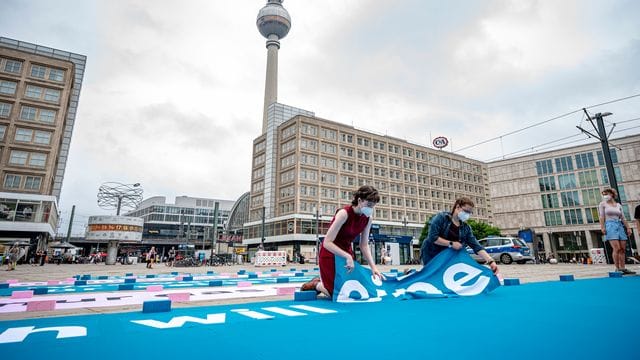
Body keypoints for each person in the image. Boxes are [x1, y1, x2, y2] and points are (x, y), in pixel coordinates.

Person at [300, 185, 385, 297]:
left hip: (346, 253)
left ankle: (323, 283)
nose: (371, 209)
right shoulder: (344, 213)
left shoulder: (368, 219)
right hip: (330, 253)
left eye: (373, 206)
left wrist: (373, 267)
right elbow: (327, 242)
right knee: (336, 294)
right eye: (369, 205)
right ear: (359, 200)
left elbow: (364, 245)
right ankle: (316, 284)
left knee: (352, 289)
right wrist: (347, 256)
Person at [420, 197, 499, 275]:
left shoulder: (466, 228)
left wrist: (490, 261)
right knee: (430, 275)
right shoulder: (441, 218)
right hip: (432, 254)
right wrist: (451, 243)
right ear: (457, 207)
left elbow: (476, 246)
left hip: (449, 256)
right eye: (466, 211)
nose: (467, 215)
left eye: (469, 212)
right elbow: (432, 237)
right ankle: (412, 274)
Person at [599, 188, 634, 274]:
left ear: (612, 194)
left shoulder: (618, 205)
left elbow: (623, 217)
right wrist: (602, 227)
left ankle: (623, 268)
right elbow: (601, 216)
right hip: (610, 225)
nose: (605, 196)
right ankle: (617, 268)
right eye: (603, 195)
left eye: (606, 194)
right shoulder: (602, 204)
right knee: (617, 248)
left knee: (622, 249)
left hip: (619, 225)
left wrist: (628, 227)